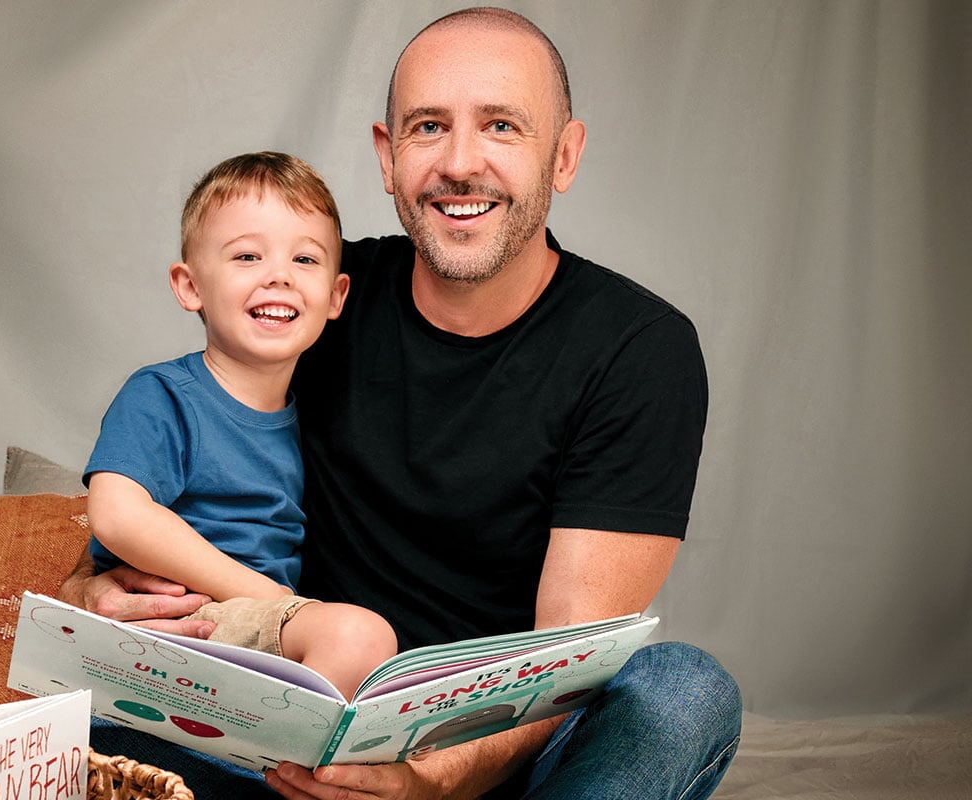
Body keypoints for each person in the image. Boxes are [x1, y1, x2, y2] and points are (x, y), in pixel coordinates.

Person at [63, 8, 742, 799]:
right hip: (293, 747)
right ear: (387, 158)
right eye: (428, 126)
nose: (460, 164)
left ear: (564, 156)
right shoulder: (313, 298)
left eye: (501, 126)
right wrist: (91, 592)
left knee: (685, 690)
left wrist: (423, 781)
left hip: (499, 761)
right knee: (75, 726)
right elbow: (165, 475)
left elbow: (568, 655)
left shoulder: (638, 348)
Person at [83, 150, 396, 701]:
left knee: (380, 661)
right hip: (185, 621)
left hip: (259, 635)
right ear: (190, 286)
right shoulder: (163, 395)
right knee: (359, 636)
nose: (278, 275)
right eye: (247, 256)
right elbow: (116, 514)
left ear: (336, 296)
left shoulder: (321, 415)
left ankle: (280, 761)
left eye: (305, 260)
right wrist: (271, 598)